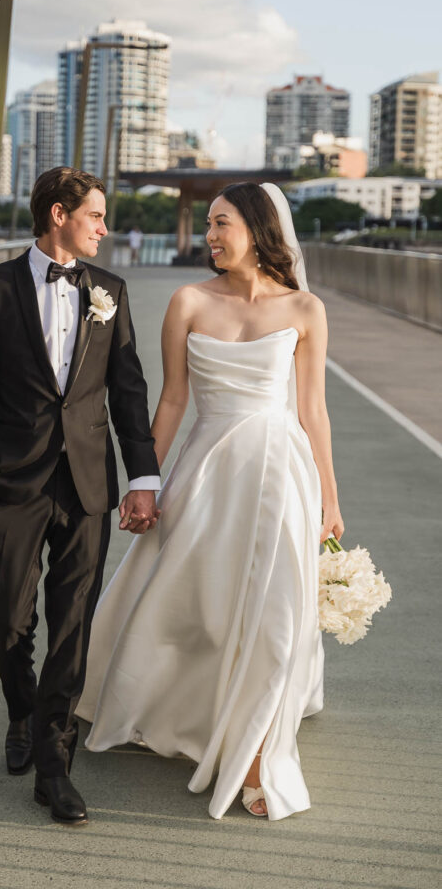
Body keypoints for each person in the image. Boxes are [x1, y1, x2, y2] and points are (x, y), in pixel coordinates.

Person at [77, 181, 344, 821]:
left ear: (257, 228)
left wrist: (331, 499)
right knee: (200, 608)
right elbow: (171, 401)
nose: (211, 236)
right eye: (210, 226)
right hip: (206, 473)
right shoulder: (188, 301)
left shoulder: (305, 309)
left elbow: (313, 411)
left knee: (277, 618)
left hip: (283, 475)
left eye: (223, 224)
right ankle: (186, 712)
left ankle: (254, 759)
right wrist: (146, 480)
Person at [0, 166, 160, 827]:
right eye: (95, 215)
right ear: (59, 215)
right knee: (6, 615)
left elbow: (128, 391)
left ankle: (53, 763)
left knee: (71, 624)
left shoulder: (111, 291)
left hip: (87, 482)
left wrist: (143, 476)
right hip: (10, 482)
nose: (105, 227)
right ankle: (21, 707)